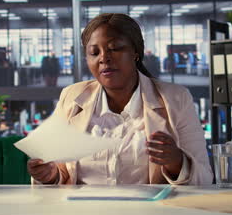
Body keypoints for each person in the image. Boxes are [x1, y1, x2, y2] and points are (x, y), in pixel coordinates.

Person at [27, 13, 213, 185]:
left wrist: (176, 162)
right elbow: (62, 172)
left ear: (135, 53)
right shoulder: (72, 97)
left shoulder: (175, 98)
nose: (104, 58)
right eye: (94, 52)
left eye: (114, 49)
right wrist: (51, 175)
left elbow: (204, 177)